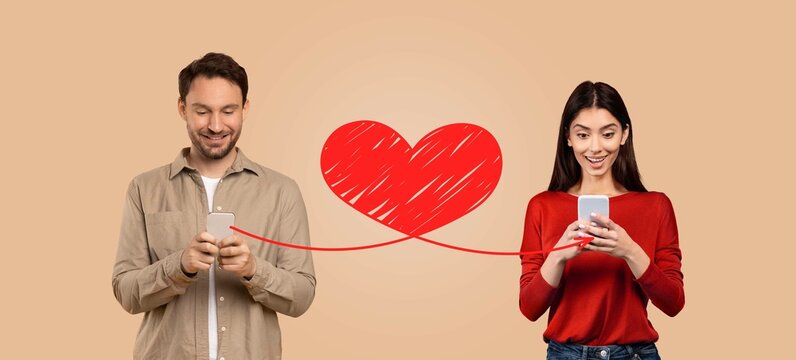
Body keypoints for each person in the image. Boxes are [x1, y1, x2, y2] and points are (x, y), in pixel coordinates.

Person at [112, 52, 316, 360]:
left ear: (245, 109)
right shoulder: (144, 188)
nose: (216, 125)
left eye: (228, 111)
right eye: (202, 111)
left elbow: (302, 296)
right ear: (182, 109)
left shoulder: (281, 192)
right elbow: (126, 292)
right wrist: (179, 265)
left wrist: (253, 270)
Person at [519, 81, 684, 359]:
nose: (595, 148)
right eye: (583, 135)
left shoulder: (656, 206)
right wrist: (558, 256)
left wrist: (630, 251)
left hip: (635, 353)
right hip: (565, 354)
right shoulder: (542, 206)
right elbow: (529, 309)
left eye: (607, 133)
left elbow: (673, 303)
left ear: (624, 134)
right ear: (568, 138)